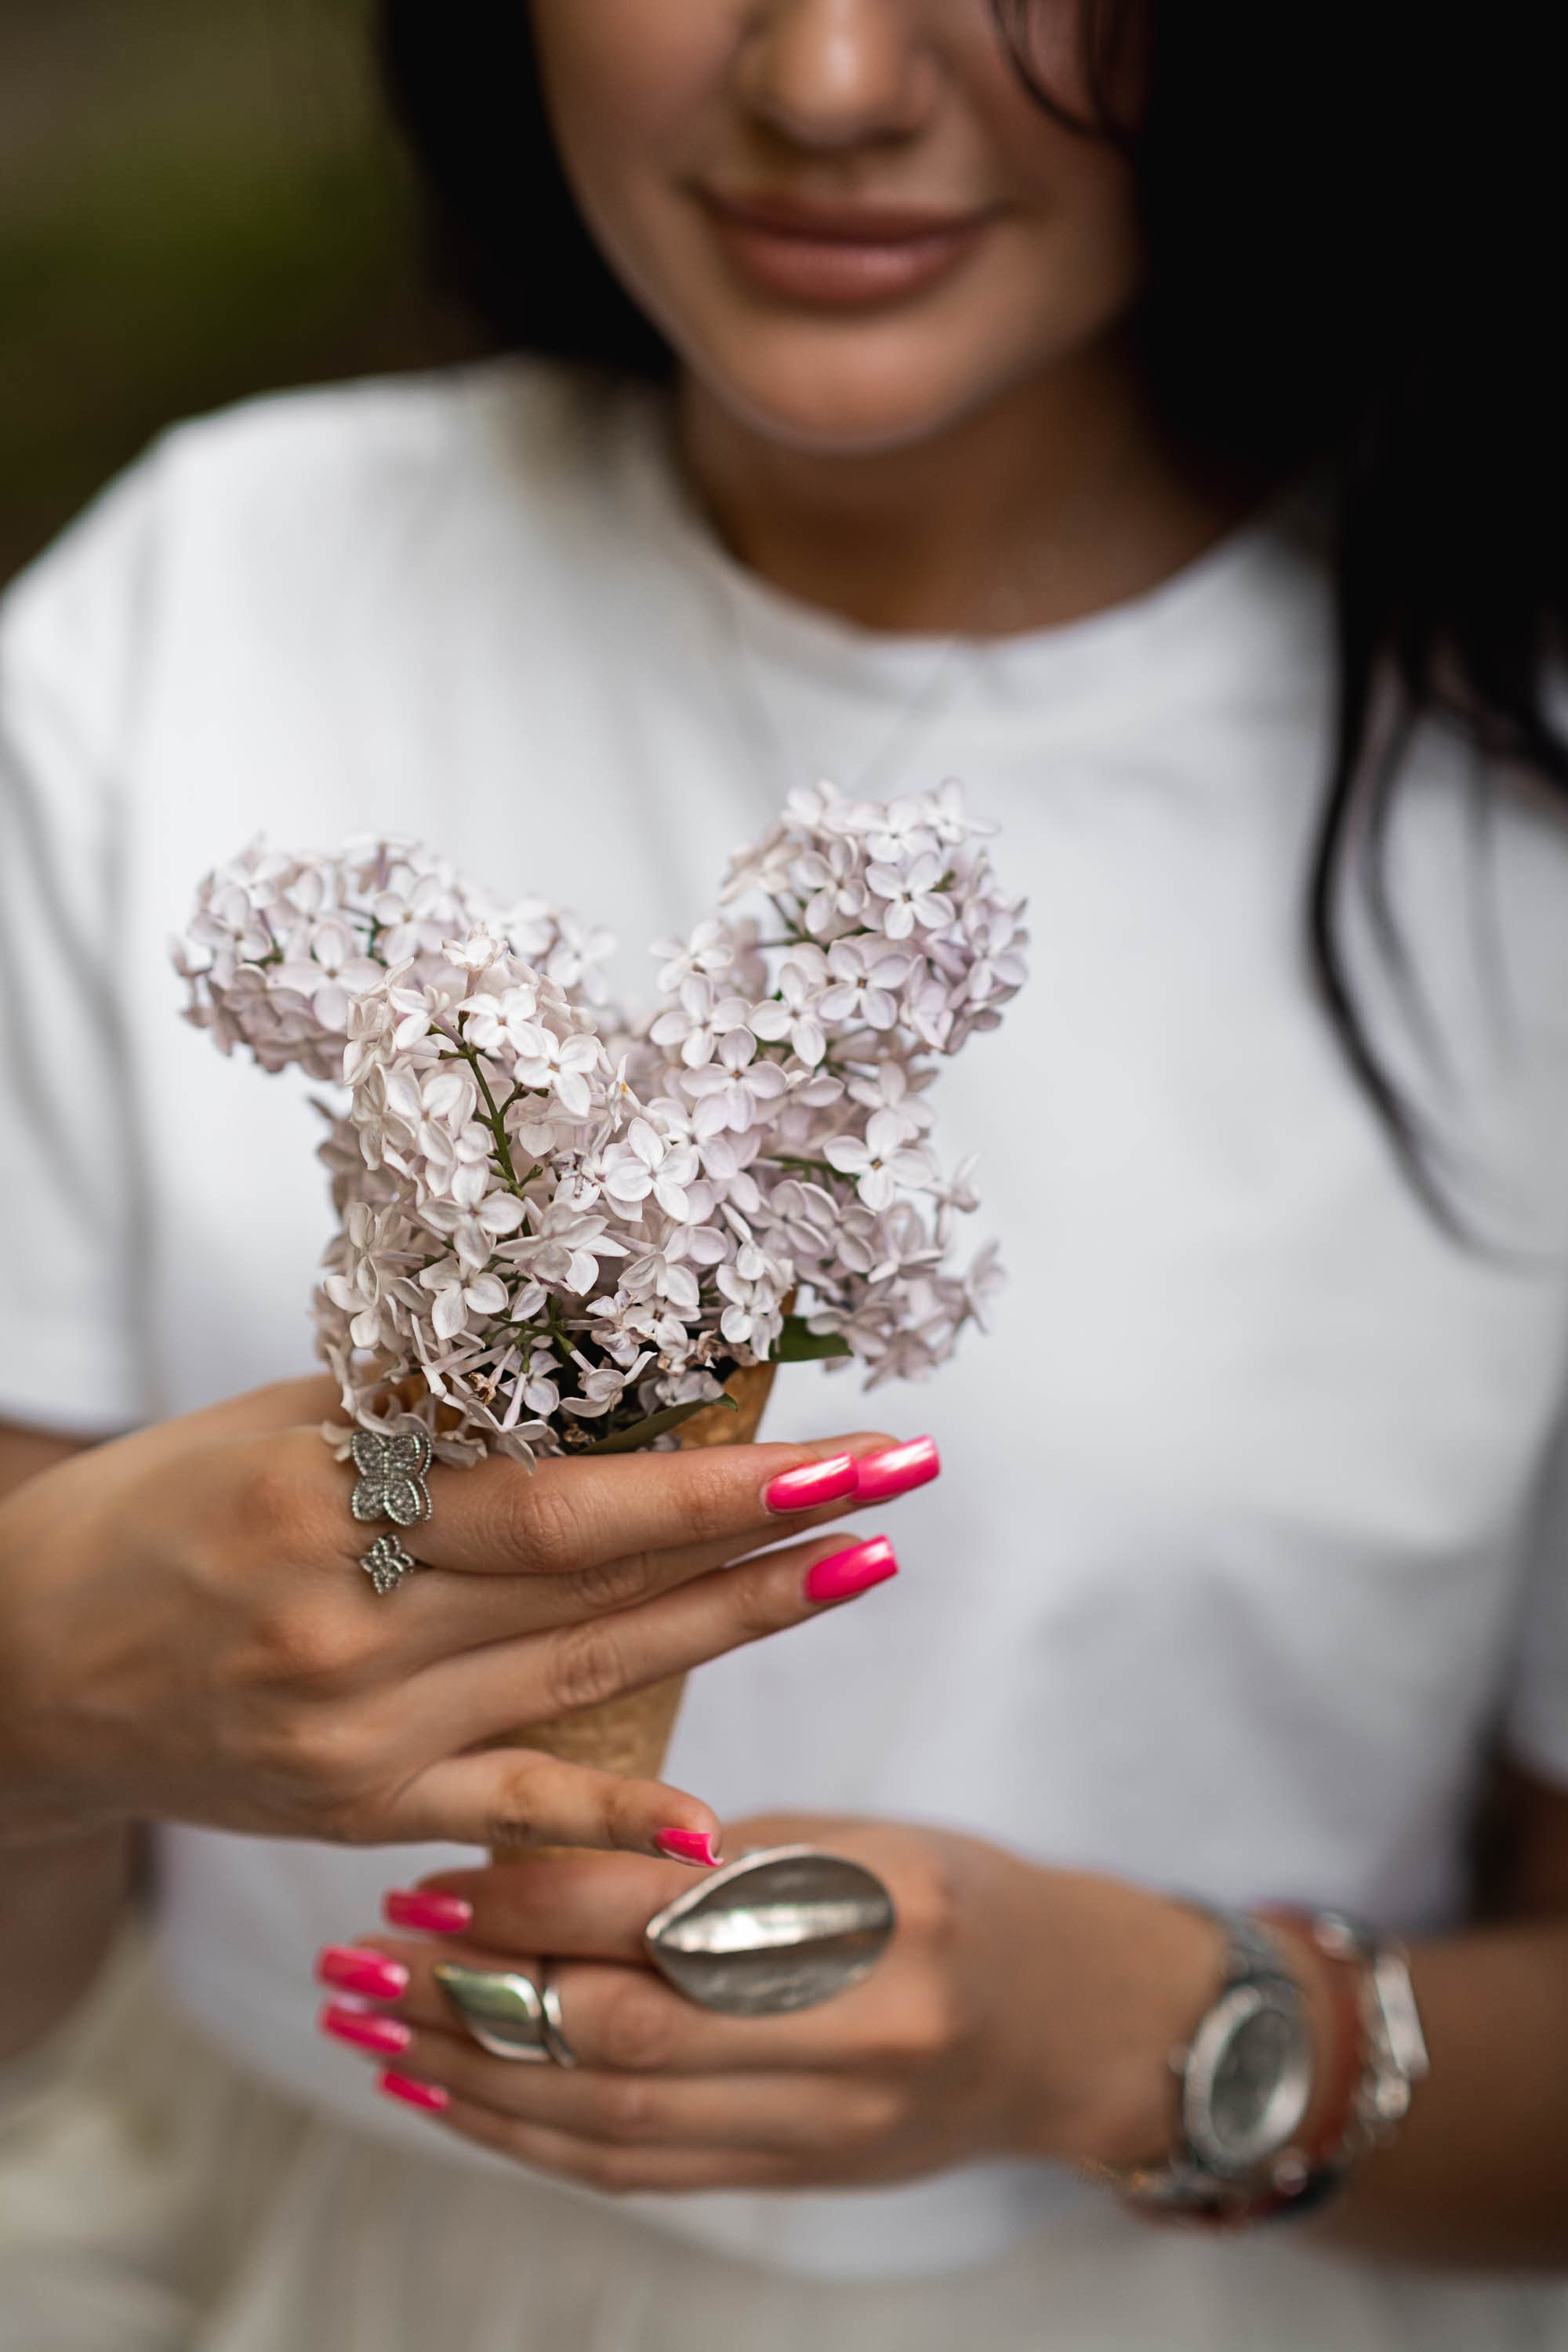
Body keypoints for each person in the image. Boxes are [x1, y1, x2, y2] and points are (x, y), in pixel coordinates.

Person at [3, 2, 1568, 2345]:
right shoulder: (198, 603)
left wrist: (1119, 2025)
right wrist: (30, 1690)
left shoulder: (1513, 806)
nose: (831, 79)